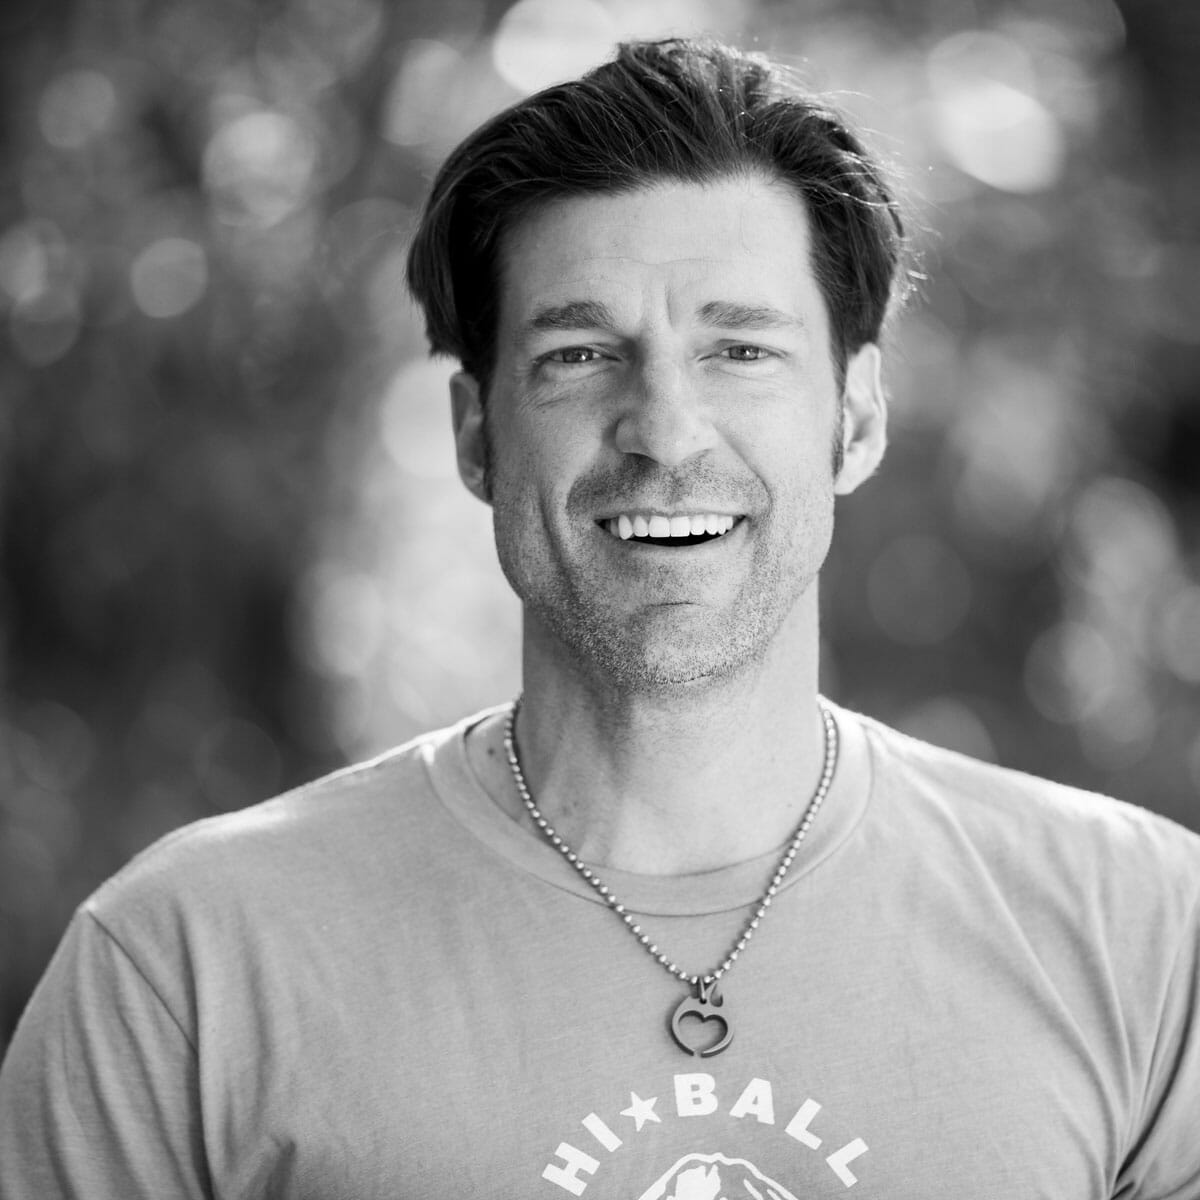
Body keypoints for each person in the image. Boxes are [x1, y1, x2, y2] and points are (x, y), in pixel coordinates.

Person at [0, 37, 1197, 1200]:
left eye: (739, 348)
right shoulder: (190, 966)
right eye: (579, 355)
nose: (665, 430)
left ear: (859, 418)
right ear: (477, 434)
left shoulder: (1146, 938)